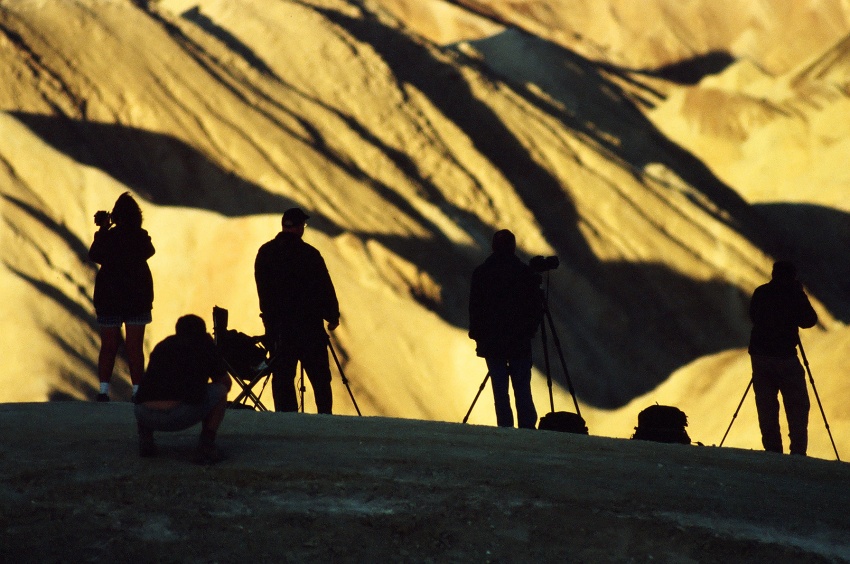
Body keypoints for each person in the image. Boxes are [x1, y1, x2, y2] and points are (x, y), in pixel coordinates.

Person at [254, 208, 340, 413]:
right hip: (309, 326)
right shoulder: (310, 254)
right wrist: (332, 315)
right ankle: (325, 418)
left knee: (283, 375)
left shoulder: (266, 253)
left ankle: (287, 419)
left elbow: (263, 290)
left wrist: (270, 321)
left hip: (279, 328)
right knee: (319, 377)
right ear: (300, 227)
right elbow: (324, 287)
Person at [468, 229, 542, 429]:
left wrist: (478, 338)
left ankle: (505, 429)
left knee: (500, 391)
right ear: (513, 247)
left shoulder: (481, 273)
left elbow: (475, 309)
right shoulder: (524, 274)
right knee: (522, 389)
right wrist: (530, 330)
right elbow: (536, 306)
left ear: (493, 247)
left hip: (492, 344)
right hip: (519, 342)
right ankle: (527, 429)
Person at [134, 314, 232, 464]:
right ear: (203, 332)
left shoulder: (163, 345)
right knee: (220, 391)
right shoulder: (204, 346)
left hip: (143, 413)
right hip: (178, 414)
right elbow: (226, 383)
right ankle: (206, 445)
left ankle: (146, 438)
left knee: (149, 389)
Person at [88, 192, 155, 402]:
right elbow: (149, 251)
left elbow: (95, 255)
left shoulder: (108, 238)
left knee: (108, 346)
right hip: (137, 299)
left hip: (109, 298)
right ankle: (137, 391)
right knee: (135, 348)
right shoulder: (140, 237)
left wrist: (103, 229)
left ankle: (103, 390)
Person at [748, 260, 818, 456]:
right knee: (797, 405)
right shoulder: (793, 295)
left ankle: (772, 451)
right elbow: (809, 320)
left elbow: (753, 316)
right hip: (785, 357)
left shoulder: (761, 293)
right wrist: (799, 294)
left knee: (766, 405)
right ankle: (797, 452)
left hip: (760, 357)